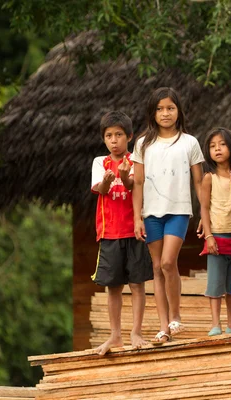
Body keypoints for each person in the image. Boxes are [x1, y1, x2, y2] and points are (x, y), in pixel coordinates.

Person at [131, 87, 205, 343]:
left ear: (178, 111)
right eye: (160, 109)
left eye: (170, 108)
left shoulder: (189, 142)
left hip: (178, 211)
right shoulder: (143, 144)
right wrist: (137, 217)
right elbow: (138, 182)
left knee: (167, 262)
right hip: (151, 213)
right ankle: (164, 327)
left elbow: (199, 183)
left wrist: (205, 217)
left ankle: (175, 315)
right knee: (156, 267)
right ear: (152, 113)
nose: (165, 113)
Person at [91, 111, 153, 355]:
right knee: (113, 287)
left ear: (129, 136)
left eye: (118, 135)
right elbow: (101, 189)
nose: (114, 140)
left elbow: (132, 186)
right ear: (104, 139)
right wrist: (108, 180)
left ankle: (135, 332)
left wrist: (125, 174)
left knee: (137, 284)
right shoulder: (100, 162)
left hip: (134, 231)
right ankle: (115, 335)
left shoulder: (136, 161)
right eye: (109, 136)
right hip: (109, 234)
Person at [199, 127, 231, 336]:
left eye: (222, 144)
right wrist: (209, 236)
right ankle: (215, 323)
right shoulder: (209, 178)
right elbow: (204, 208)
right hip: (217, 236)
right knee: (215, 285)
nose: (217, 149)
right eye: (212, 146)